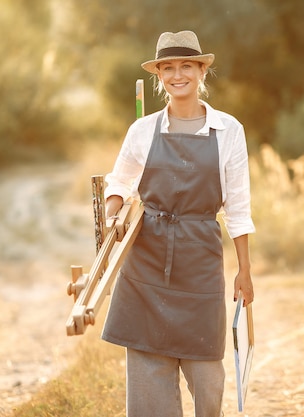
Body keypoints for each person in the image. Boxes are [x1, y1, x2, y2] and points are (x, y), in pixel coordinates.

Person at [101, 30, 255, 417]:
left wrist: (245, 270)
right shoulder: (142, 129)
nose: (177, 74)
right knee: (148, 368)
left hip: (200, 252)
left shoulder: (228, 130)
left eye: (186, 65)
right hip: (147, 255)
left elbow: (237, 206)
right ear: (159, 76)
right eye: (168, 68)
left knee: (206, 372)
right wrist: (114, 208)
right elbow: (119, 180)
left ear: (202, 70)